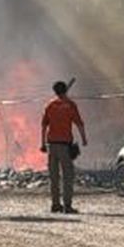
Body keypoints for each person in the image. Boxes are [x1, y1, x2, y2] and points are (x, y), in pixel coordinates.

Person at [40, 80, 88, 214]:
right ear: (65, 90)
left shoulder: (50, 105)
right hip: (64, 145)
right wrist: (84, 139)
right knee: (67, 176)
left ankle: (55, 204)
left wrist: (42, 143)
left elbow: (44, 126)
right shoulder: (70, 105)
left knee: (54, 177)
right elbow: (79, 123)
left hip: (51, 145)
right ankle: (67, 205)